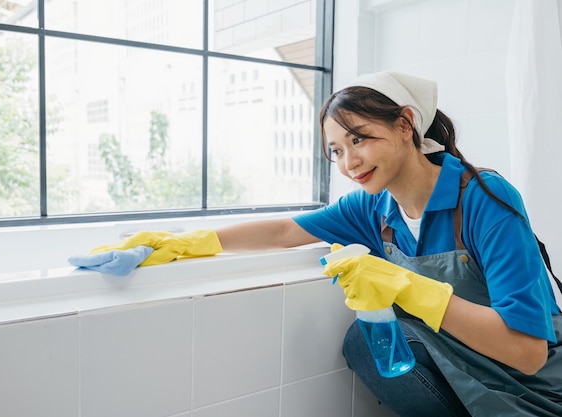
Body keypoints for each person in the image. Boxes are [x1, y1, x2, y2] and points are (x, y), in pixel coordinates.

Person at [83, 72, 562, 417]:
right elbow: (285, 232)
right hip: (470, 377)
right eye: (336, 150)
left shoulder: (483, 199)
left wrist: (407, 288)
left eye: (359, 139)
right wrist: (187, 242)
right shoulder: (375, 207)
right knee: (365, 343)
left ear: (404, 125)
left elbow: (527, 352)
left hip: (536, 391)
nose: (349, 161)